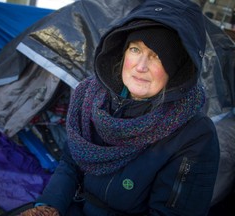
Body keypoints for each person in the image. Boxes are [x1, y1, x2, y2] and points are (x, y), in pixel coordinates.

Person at [19, 0, 220, 215]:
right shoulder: (92, 98)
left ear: (178, 67)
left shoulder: (194, 135)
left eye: (157, 55)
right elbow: (71, 162)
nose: (140, 66)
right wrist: (49, 206)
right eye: (135, 49)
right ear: (122, 53)